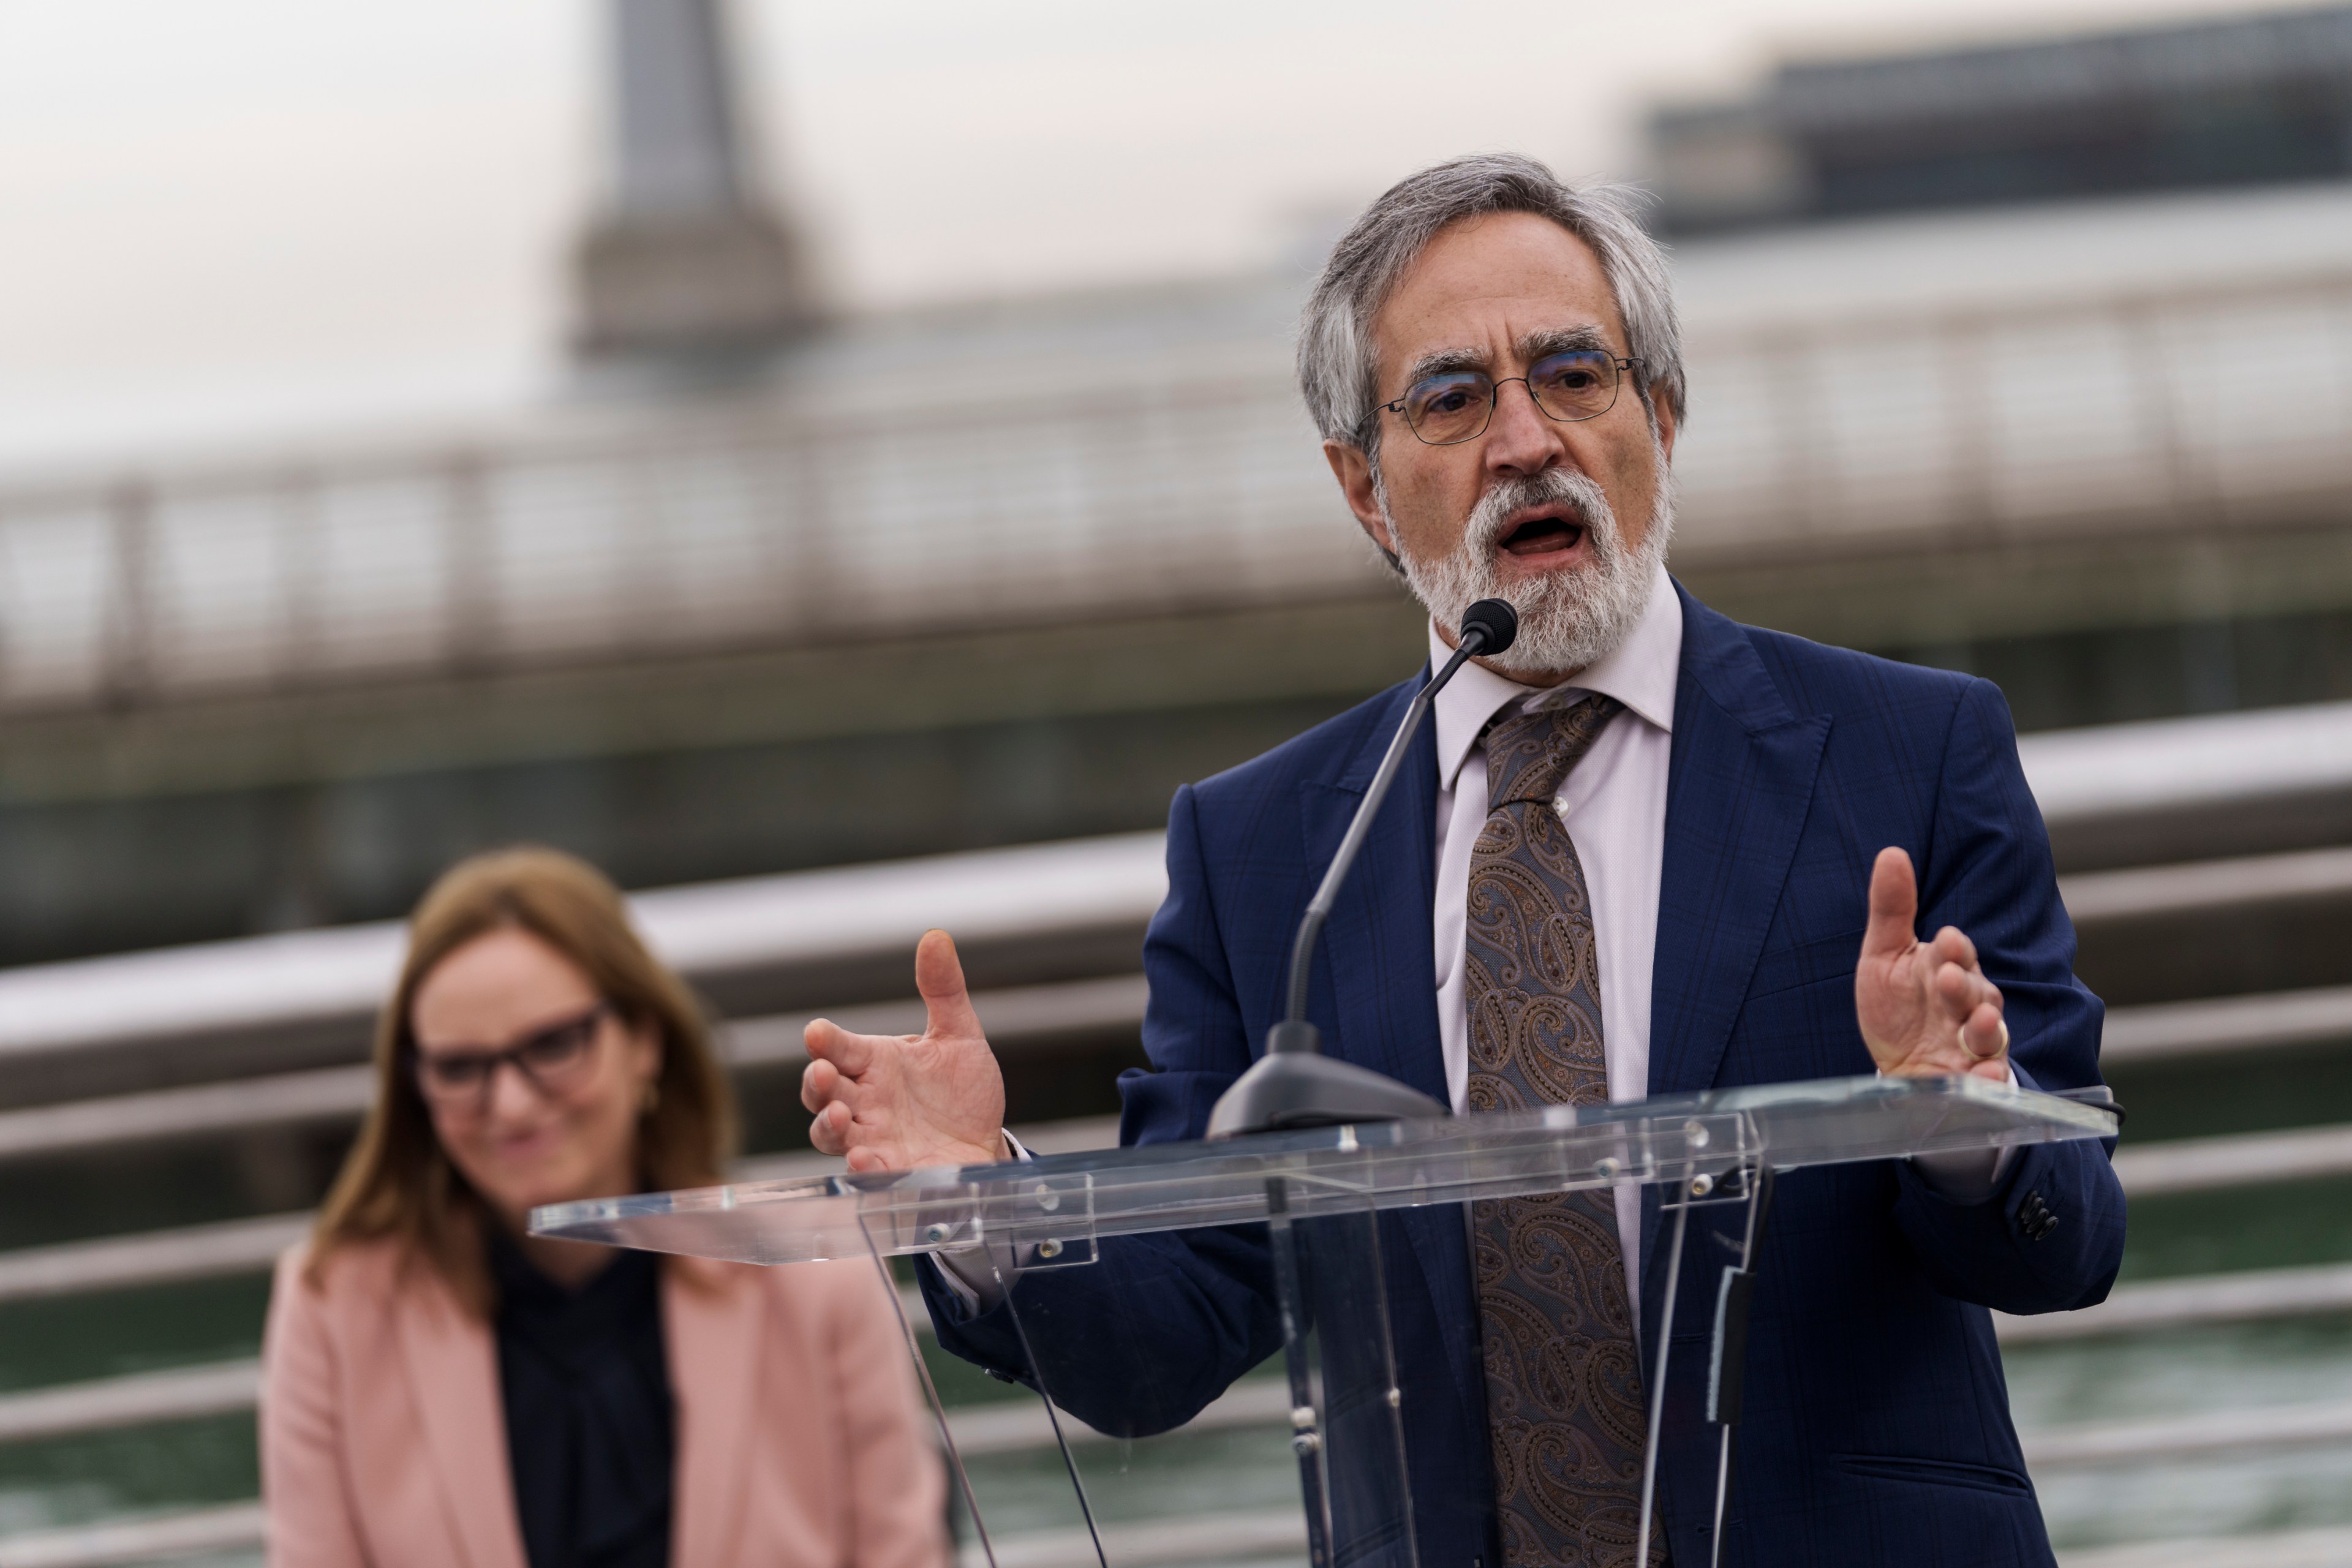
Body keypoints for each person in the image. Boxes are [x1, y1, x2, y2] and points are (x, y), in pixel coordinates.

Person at [799, 154, 2126, 1567]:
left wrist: (1968, 1121)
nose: (1523, 438)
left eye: (1572, 373)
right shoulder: (1265, 854)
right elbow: (1165, 1339)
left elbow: (2065, 1243)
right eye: (1449, 397)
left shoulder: (1903, 752)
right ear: (1364, 488)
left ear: (1659, 420)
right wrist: (982, 1201)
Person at [262, 847, 946, 1568]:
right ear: (416, 1086)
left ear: (644, 1041)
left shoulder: (820, 1276)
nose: (512, 1104)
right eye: (461, 1066)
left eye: (554, 1044)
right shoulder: (332, 1308)